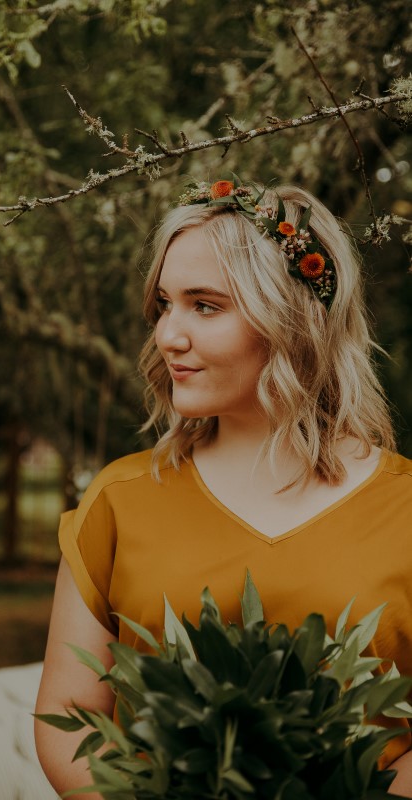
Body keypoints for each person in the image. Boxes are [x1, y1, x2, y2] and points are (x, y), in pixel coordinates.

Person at [34, 179, 412, 797]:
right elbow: (74, 718)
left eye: (204, 306)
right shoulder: (120, 500)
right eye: (164, 304)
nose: (167, 335)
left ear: (293, 317)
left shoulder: (407, 513)